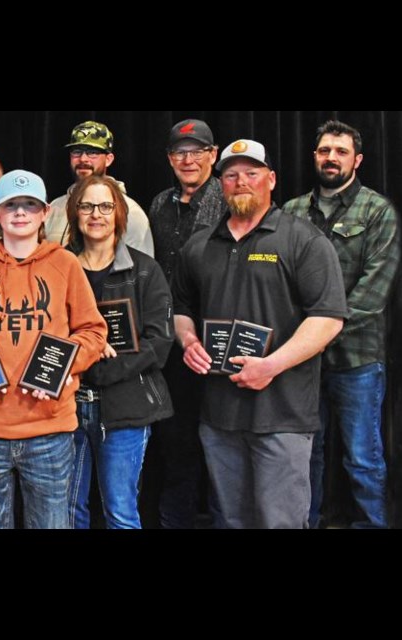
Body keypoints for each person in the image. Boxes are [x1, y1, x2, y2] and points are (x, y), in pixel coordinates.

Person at [173, 139, 347, 529]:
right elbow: (180, 308)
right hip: (219, 417)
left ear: (271, 179)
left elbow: (329, 318)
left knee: (279, 522)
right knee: (230, 520)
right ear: (221, 184)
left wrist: (271, 365)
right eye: (231, 175)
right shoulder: (200, 245)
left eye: (251, 173)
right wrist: (188, 342)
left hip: (282, 415)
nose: (241, 182)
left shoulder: (303, 240)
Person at [0, 170, 107, 529]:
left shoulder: (65, 264)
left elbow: (93, 332)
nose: (21, 213)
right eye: (12, 205)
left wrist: (65, 367)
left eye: (29, 205)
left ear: (45, 212)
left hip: (49, 430)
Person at [283, 120, 400, 529]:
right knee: (305, 454)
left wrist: (313, 336)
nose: (331, 158)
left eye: (341, 151)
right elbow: (281, 286)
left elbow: (373, 294)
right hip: (301, 364)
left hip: (357, 360)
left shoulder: (377, 211)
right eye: (324, 151)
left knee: (362, 457)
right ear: (314, 156)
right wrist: (300, 345)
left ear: (358, 159)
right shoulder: (292, 212)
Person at [66, 175, 174, 529]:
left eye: (105, 206)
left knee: (121, 512)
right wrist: (85, 354)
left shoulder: (145, 270)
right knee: (69, 511)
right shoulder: (59, 268)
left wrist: (102, 370)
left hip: (127, 406)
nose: (96, 214)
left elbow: (159, 342)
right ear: (74, 213)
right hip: (67, 405)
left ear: (119, 214)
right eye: (87, 205)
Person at [145, 119, 226, 529]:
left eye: (198, 151)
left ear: (214, 155)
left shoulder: (230, 200)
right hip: (170, 342)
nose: (188, 159)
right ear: (169, 158)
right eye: (180, 152)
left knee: (219, 440)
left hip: (217, 341)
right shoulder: (159, 204)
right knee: (176, 442)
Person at [44, 121, 154, 256]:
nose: (83, 159)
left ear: (108, 159)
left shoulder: (130, 211)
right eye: (77, 152)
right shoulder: (55, 208)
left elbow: (142, 271)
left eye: (92, 152)